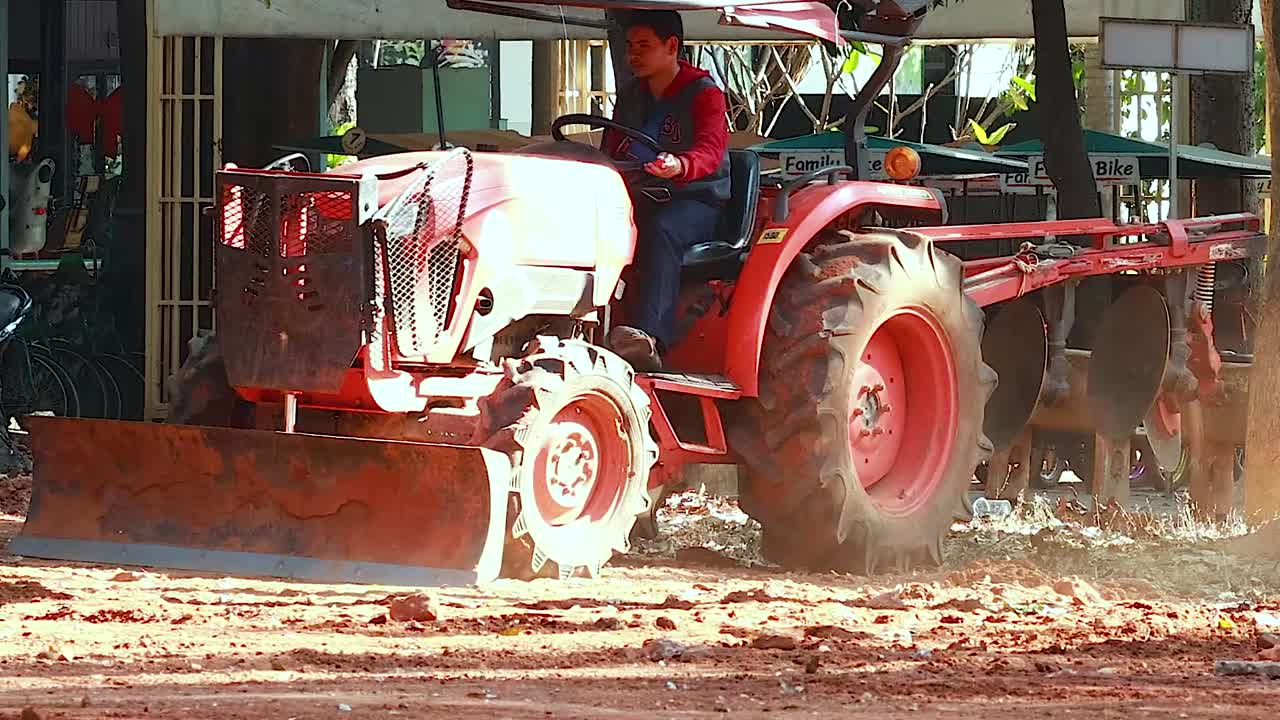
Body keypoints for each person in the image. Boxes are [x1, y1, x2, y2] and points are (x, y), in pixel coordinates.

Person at [602, 10, 730, 372]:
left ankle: (649, 338)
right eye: (630, 46)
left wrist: (680, 165)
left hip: (696, 198)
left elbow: (710, 151)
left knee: (661, 230)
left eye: (644, 45)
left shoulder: (705, 94)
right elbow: (612, 147)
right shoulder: (630, 96)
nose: (633, 55)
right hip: (642, 192)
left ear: (672, 46)